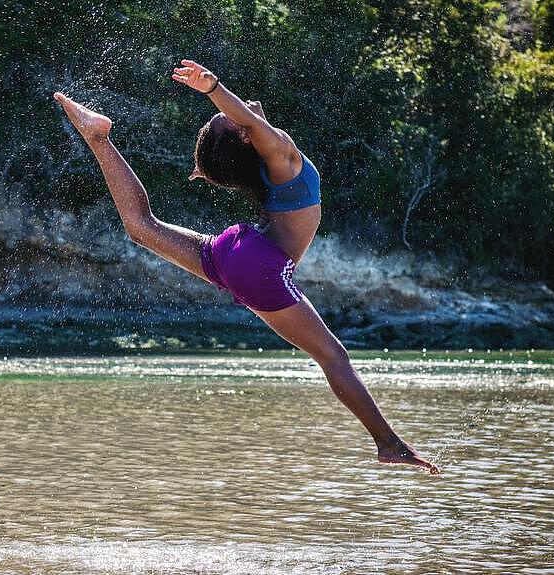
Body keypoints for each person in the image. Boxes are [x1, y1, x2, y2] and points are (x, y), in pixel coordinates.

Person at [53, 59, 440, 474]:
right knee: (333, 357)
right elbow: (250, 124)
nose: (236, 109)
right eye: (228, 117)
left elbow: (242, 130)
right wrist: (212, 89)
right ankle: (389, 444)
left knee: (143, 227)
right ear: (243, 132)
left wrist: (216, 120)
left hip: (237, 249)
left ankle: (97, 138)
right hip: (257, 263)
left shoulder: (270, 169)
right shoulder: (281, 155)